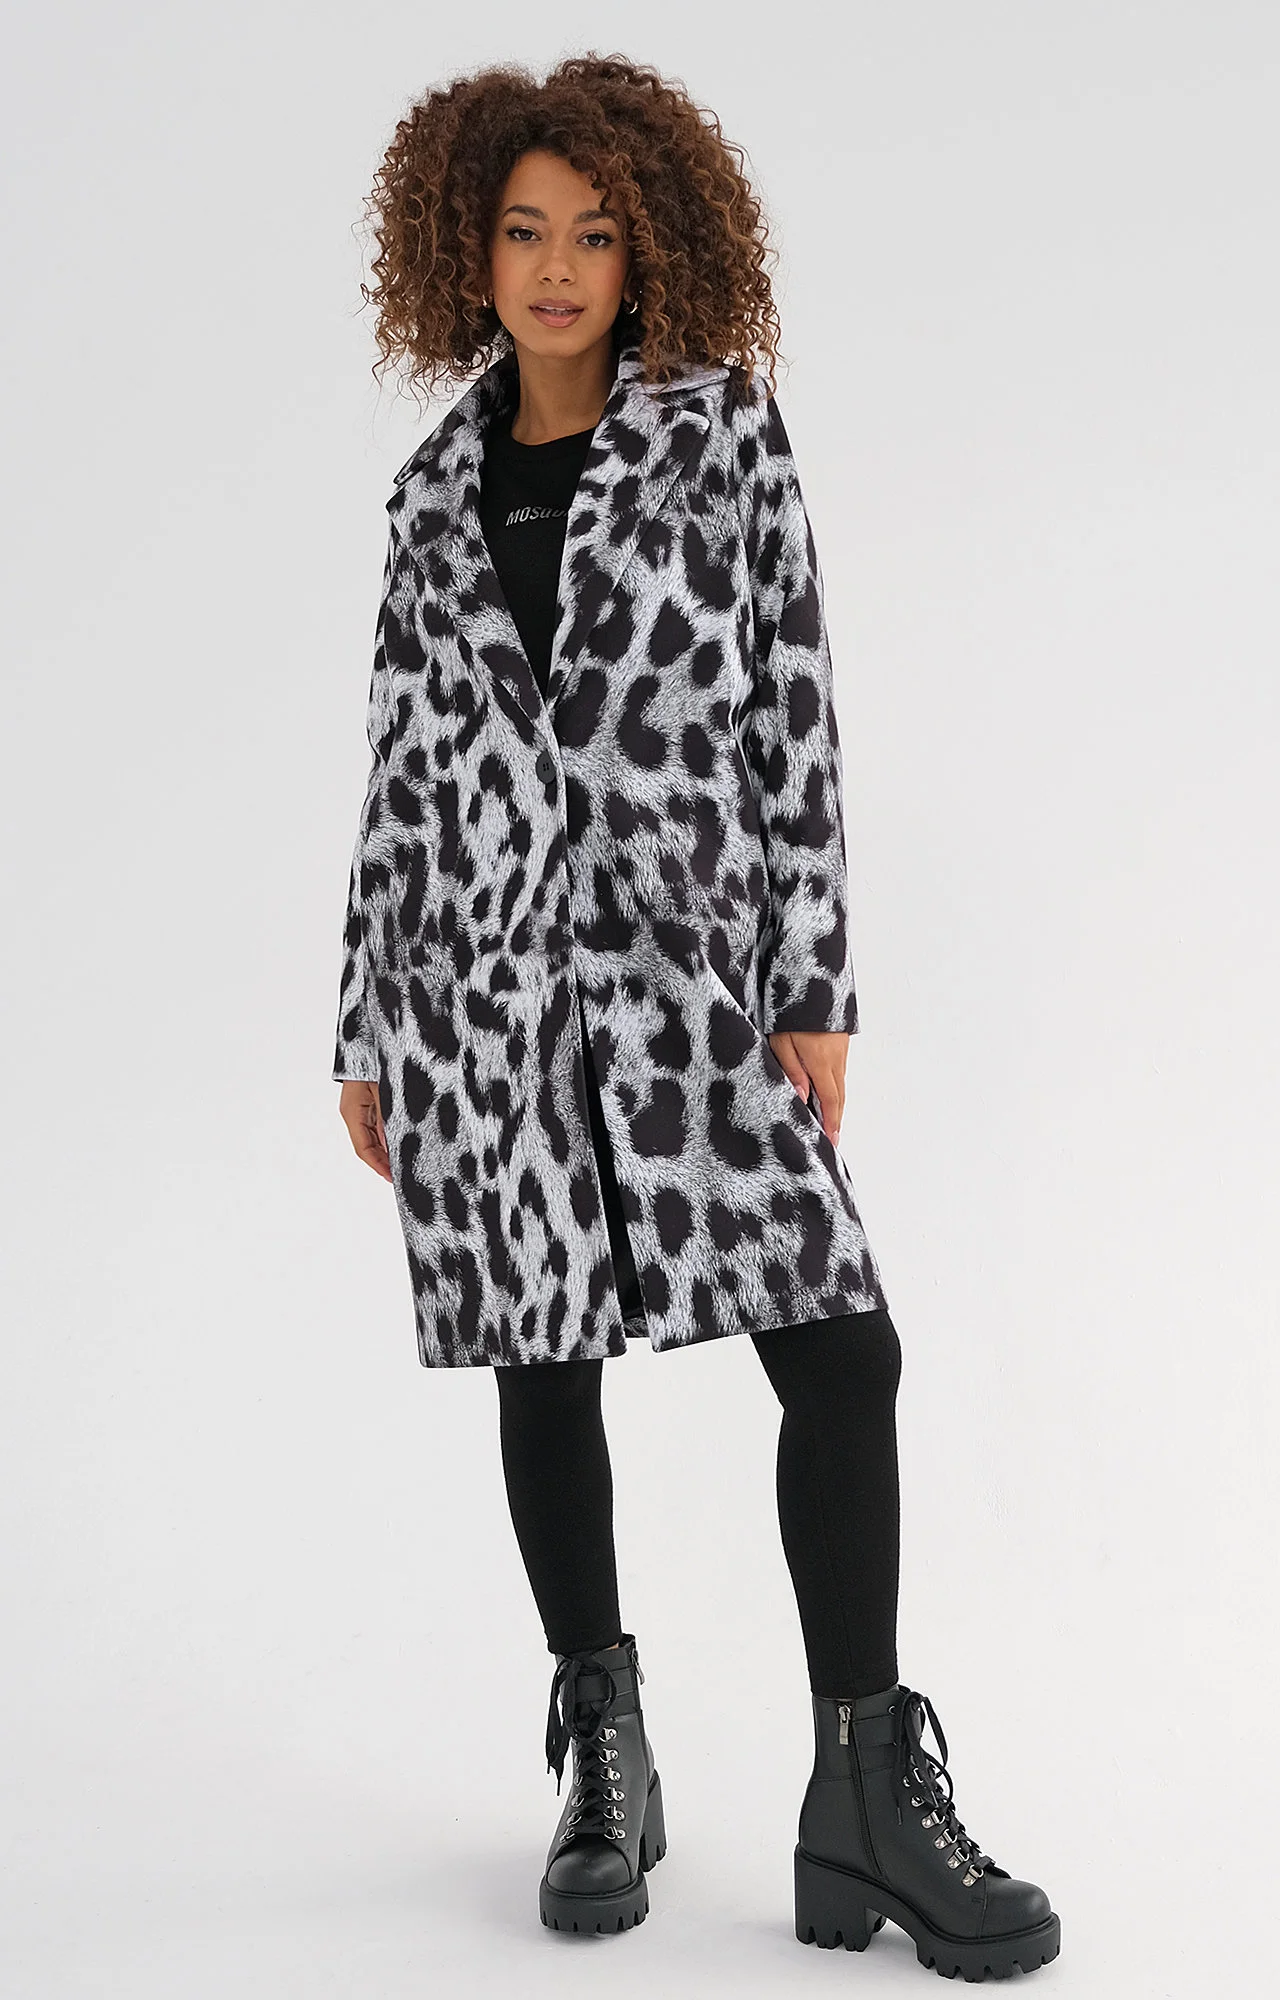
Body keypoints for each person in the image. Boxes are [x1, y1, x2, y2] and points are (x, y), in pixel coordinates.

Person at [332, 54, 1059, 1980]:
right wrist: (367, 1023)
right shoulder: (427, 501)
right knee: (540, 1357)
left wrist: (810, 983)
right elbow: (399, 775)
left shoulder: (719, 437)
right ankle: (605, 1750)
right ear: (466, 250)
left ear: (646, 248)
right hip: (484, 993)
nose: (556, 268)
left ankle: (863, 1793)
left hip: (684, 984)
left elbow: (791, 708)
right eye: (522, 232)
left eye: (591, 233)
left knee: (842, 1350)